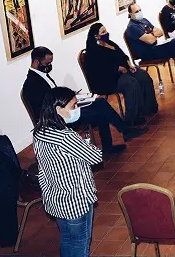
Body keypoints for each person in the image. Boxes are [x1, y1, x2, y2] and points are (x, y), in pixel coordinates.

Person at [22, 47, 144, 155]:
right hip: (57, 118)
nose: (49, 66)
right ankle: (117, 138)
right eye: (47, 63)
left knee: (101, 103)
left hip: (63, 110)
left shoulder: (42, 75)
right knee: (101, 112)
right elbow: (45, 107)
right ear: (37, 62)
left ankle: (119, 136)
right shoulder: (31, 83)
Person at [33, 86, 103, 257]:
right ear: (58, 109)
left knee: (66, 238)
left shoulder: (39, 132)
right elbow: (95, 157)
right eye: (73, 106)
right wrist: (85, 144)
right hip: (76, 200)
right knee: (80, 242)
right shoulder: (66, 137)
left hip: (56, 198)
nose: (76, 110)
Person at [85, 23, 159, 126]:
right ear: (96, 36)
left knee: (142, 75)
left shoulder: (110, 43)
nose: (106, 33)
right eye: (103, 32)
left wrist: (130, 65)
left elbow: (123, 56)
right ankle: (132, 119)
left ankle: (148, 107)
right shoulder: (94, 51)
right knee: (131, 84)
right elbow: (103, 68)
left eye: (105, 31)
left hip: (124, 71)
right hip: (109, 79)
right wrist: (119, 69)